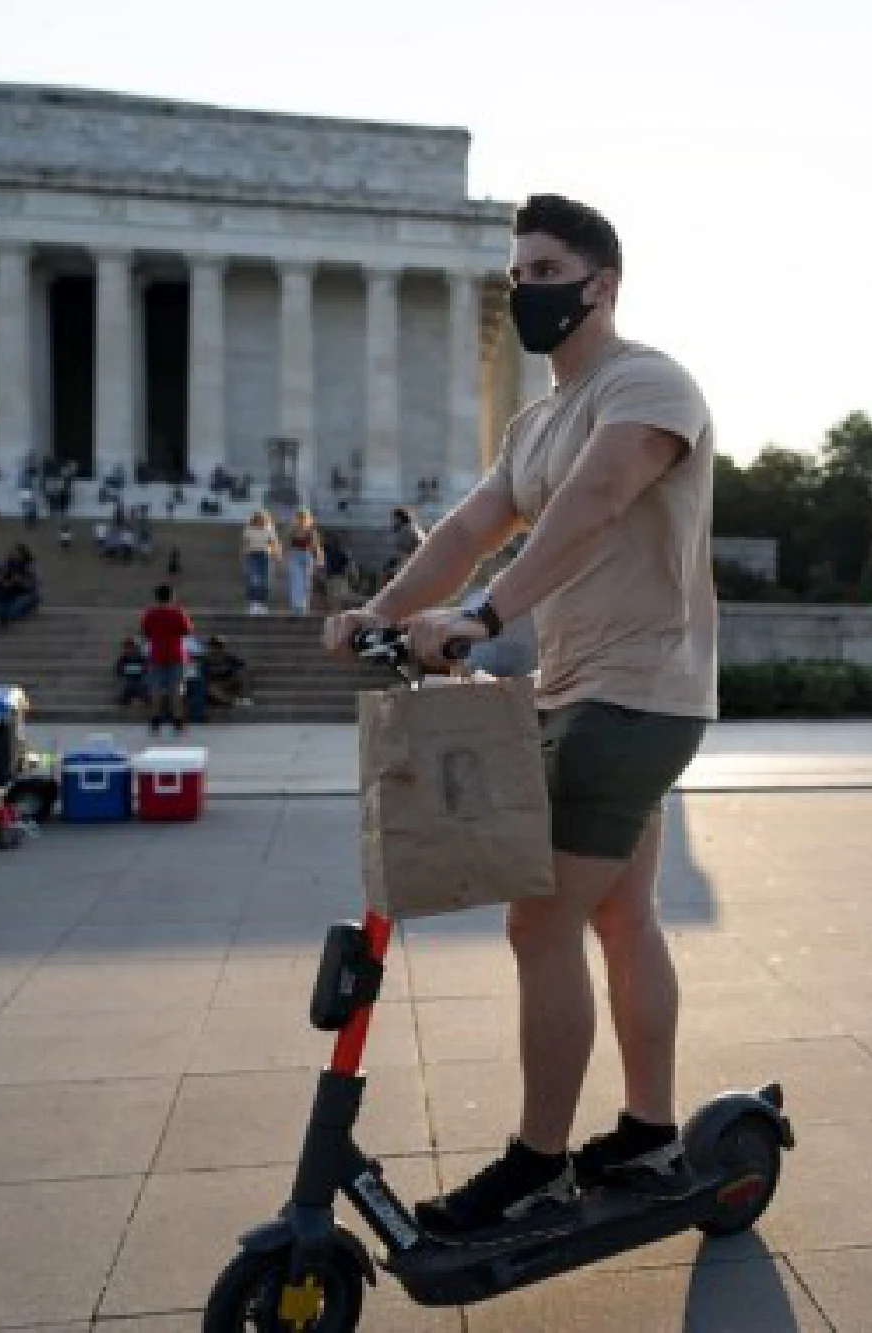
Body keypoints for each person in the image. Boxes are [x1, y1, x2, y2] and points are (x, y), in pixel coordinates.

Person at [324, 193, 716, 1235]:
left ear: (601, 283)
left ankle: (539, 1165)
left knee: (537, 919)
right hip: (577, 687)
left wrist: (485, 614)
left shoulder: (648, 385)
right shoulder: (533, 419)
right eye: (516, 273)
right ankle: (647, 1134)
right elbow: (466, 526)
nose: (524, 288)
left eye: (545, 270)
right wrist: (381, 608)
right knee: (620, 917)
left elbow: (591, 506)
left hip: (637, 692)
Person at [139, 584, 193, 735]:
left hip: (156, 654)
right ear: (172, 596)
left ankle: (155, 721)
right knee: (176, 689)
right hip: (176, 654)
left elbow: (145, 631)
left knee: (155, 689)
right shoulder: (178, 613)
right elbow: (187, 630)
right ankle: (178, 722)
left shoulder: (149, 614)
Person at [0, 544, 41, 628]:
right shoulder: (8, 564)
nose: (13, 554)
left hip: (27, 594)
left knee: (14, 607)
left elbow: (33, 585)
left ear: (23, 555)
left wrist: (20, 580)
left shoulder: (31, 566)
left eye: (16, 553)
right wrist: (1, 580)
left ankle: (6, 616)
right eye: (13, 552)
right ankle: (0, 615)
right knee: (0, 601)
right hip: (12, 592)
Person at [240, 510, 279, 615]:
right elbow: (245, 543)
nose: (261, 521)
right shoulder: (249, 529)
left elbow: (273, 542)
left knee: (265, 581)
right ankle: (253, 603)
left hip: (266, 555)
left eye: (263, 519)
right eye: (259, 519)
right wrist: (244, 556)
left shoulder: (269, 528)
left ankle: (262, 604)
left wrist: (276, 554)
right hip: (252, 555)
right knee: (253, 579)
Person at [201, 635, 255, 709]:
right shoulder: (204, 661)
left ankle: (239, 698)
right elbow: (202, 679)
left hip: (229, 685)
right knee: (211, 688)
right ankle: (232, 702)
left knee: (242, 674)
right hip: (213, 688)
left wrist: (231, 681)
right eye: (213, 647)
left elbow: (245, 668)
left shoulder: (230, 659)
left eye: (218, 647)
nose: (215, 649)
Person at [284, 508, 320, 615]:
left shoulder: (311, 531)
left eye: (304, 518)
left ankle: (303, 605)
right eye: (299, 517)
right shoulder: (292, 530)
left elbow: (315, 546)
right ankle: (296, 605)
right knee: (296, 580)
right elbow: (286, 544)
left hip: (307, 556)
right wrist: (284, 557)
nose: (301, 520)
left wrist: (318, 557)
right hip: (294, 555)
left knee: (306, 582)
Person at [114, 636, 150, 710]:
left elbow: (146, 668)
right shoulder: (123, 658)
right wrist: (134, 669)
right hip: (129, 681)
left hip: (140, 681)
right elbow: (119, 670)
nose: (128, 649)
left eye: (130, 647)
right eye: (127, 647)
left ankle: (141, 697)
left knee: (140, 684)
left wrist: (129, 669)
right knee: (128, 684)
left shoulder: (140, 657)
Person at [322, 530, 355, 607]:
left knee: (337, 597)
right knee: (335, 596)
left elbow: (347, 565)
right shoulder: (331, 553)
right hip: (334, 576)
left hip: (336, 576)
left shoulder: (338, 554)